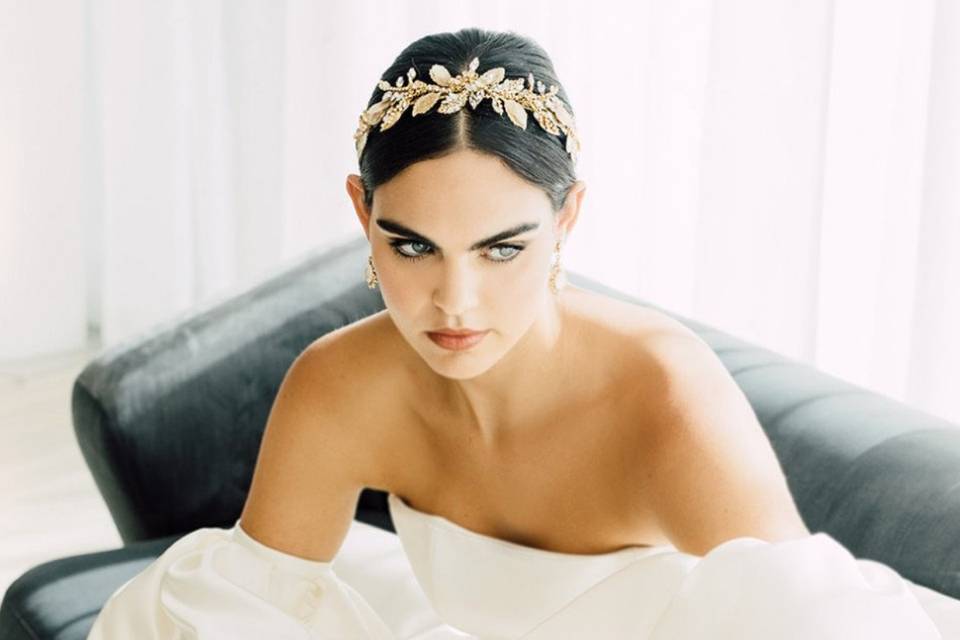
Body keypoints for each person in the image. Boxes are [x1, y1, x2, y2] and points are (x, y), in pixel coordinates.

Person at [87, 27, 951, 639]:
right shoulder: (339, 387)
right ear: (361, 210)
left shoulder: (662, 395)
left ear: (568, 215)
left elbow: (803, 624)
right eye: (413, 245)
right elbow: (246, 606)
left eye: (502, 248)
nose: (453, 303)